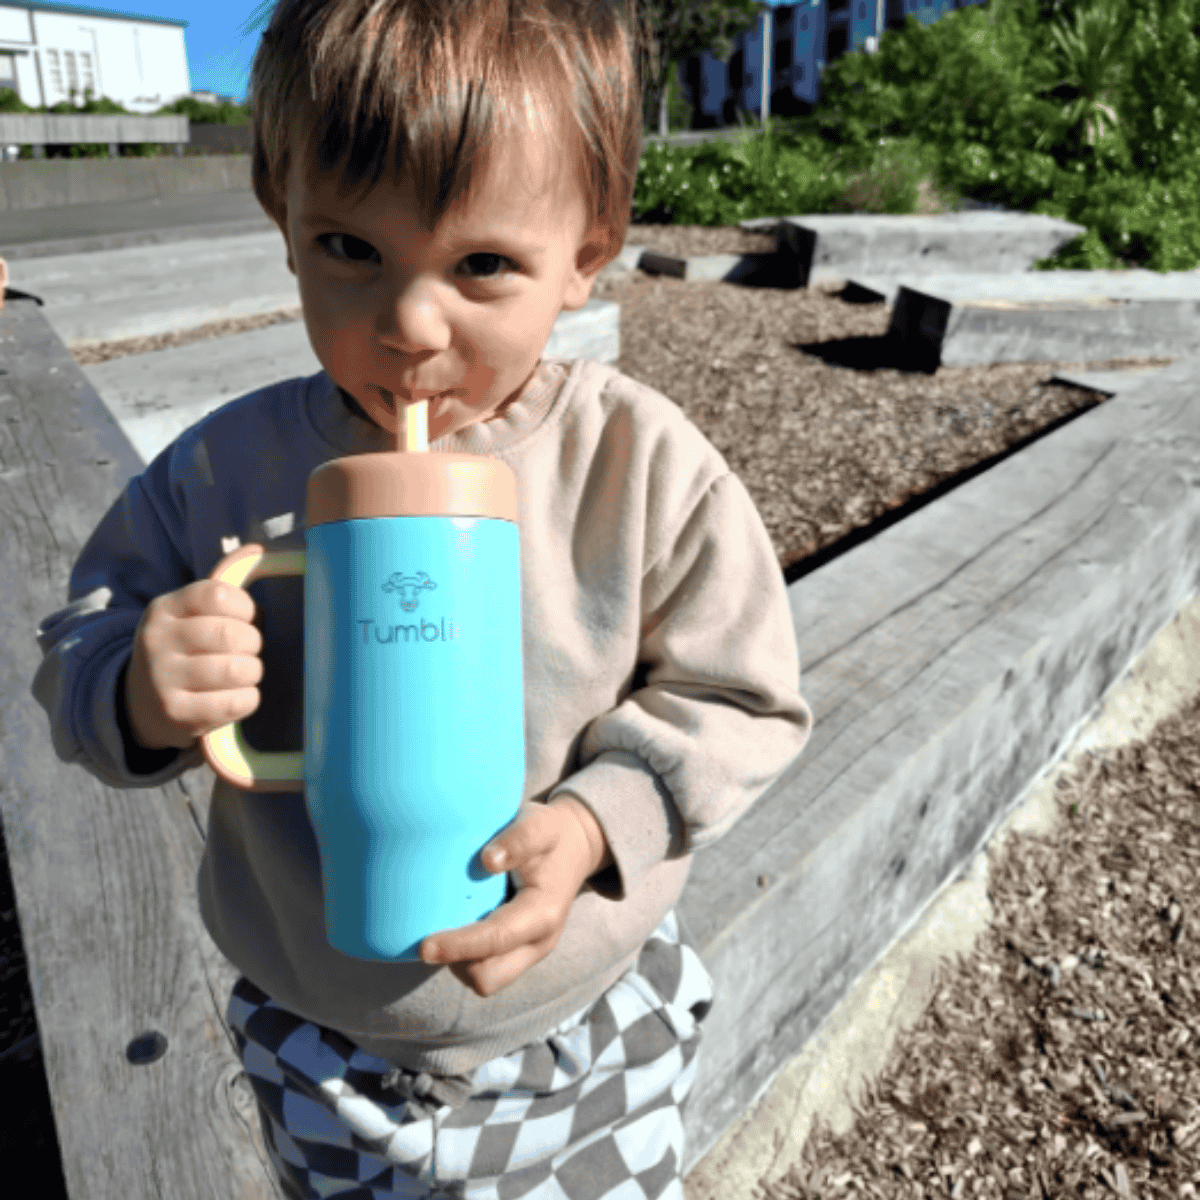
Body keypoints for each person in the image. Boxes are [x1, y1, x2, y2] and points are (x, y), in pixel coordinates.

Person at [31, 2, 813, 1196]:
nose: (408, 326)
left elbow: (745, 698)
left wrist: (600, 821)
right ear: (280, 215)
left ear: (587, 254)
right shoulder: (218, 471)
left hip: (585, 1023)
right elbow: (78, 646)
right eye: (351, 249)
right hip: (318, 1035)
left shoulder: (639, 465)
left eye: (484, 266)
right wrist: (139, 685)